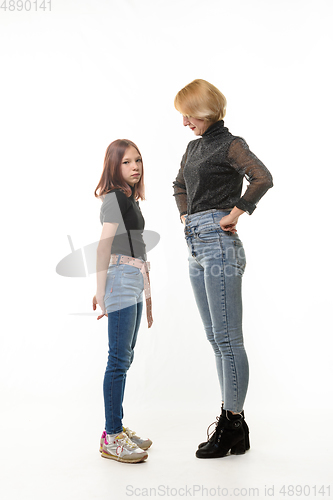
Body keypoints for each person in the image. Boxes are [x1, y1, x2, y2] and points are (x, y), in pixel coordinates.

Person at [173, 79, 273, 459]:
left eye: (188, 115)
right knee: (216, 339)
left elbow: (263, 178)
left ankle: (231, 422)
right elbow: (178, 183)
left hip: (219, 245)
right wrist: (185, 216)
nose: (184, 122)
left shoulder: (232, 144)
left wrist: (235, 213)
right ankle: (237, 429)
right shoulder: (192, 147)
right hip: (196, 245)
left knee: (229, 339)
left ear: (204, 110)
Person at [93, 139, 153, 463]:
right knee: (118, 359)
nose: (135, 167)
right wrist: (101, 290)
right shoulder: (115, 197)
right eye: (127, 162)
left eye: (138, 161)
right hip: (119, 278)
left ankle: (114, 428)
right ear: (114, 166)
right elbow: (103, 247)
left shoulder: (130, 198)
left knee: (124, 358)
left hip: (132, 278)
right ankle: (112, 436)